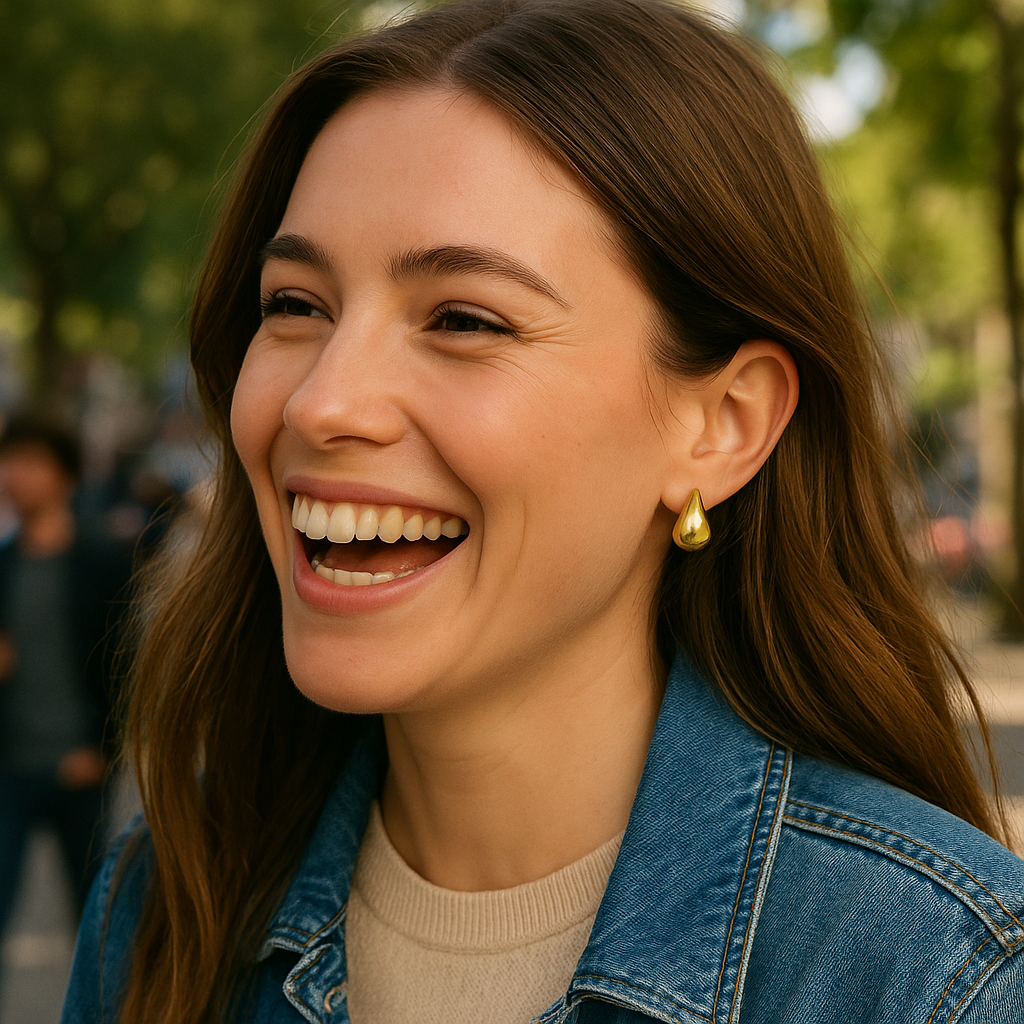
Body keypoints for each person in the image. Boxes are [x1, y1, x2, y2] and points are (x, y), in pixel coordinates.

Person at [61, 1, 1024, 1021]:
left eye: (463, 319)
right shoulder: (170, 900)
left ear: (723, 424)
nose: (320, 402)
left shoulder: (935, 977)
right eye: (295, 305)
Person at [0, 416, 128, 952]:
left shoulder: (101, 561)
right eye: (10, 462)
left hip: (80, 765)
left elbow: (126, 665)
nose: (15, 475)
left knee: (96, 923)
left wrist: (103, 749)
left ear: (64, 475)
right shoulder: (3, 565)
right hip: (9, 764)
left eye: (31, 462)